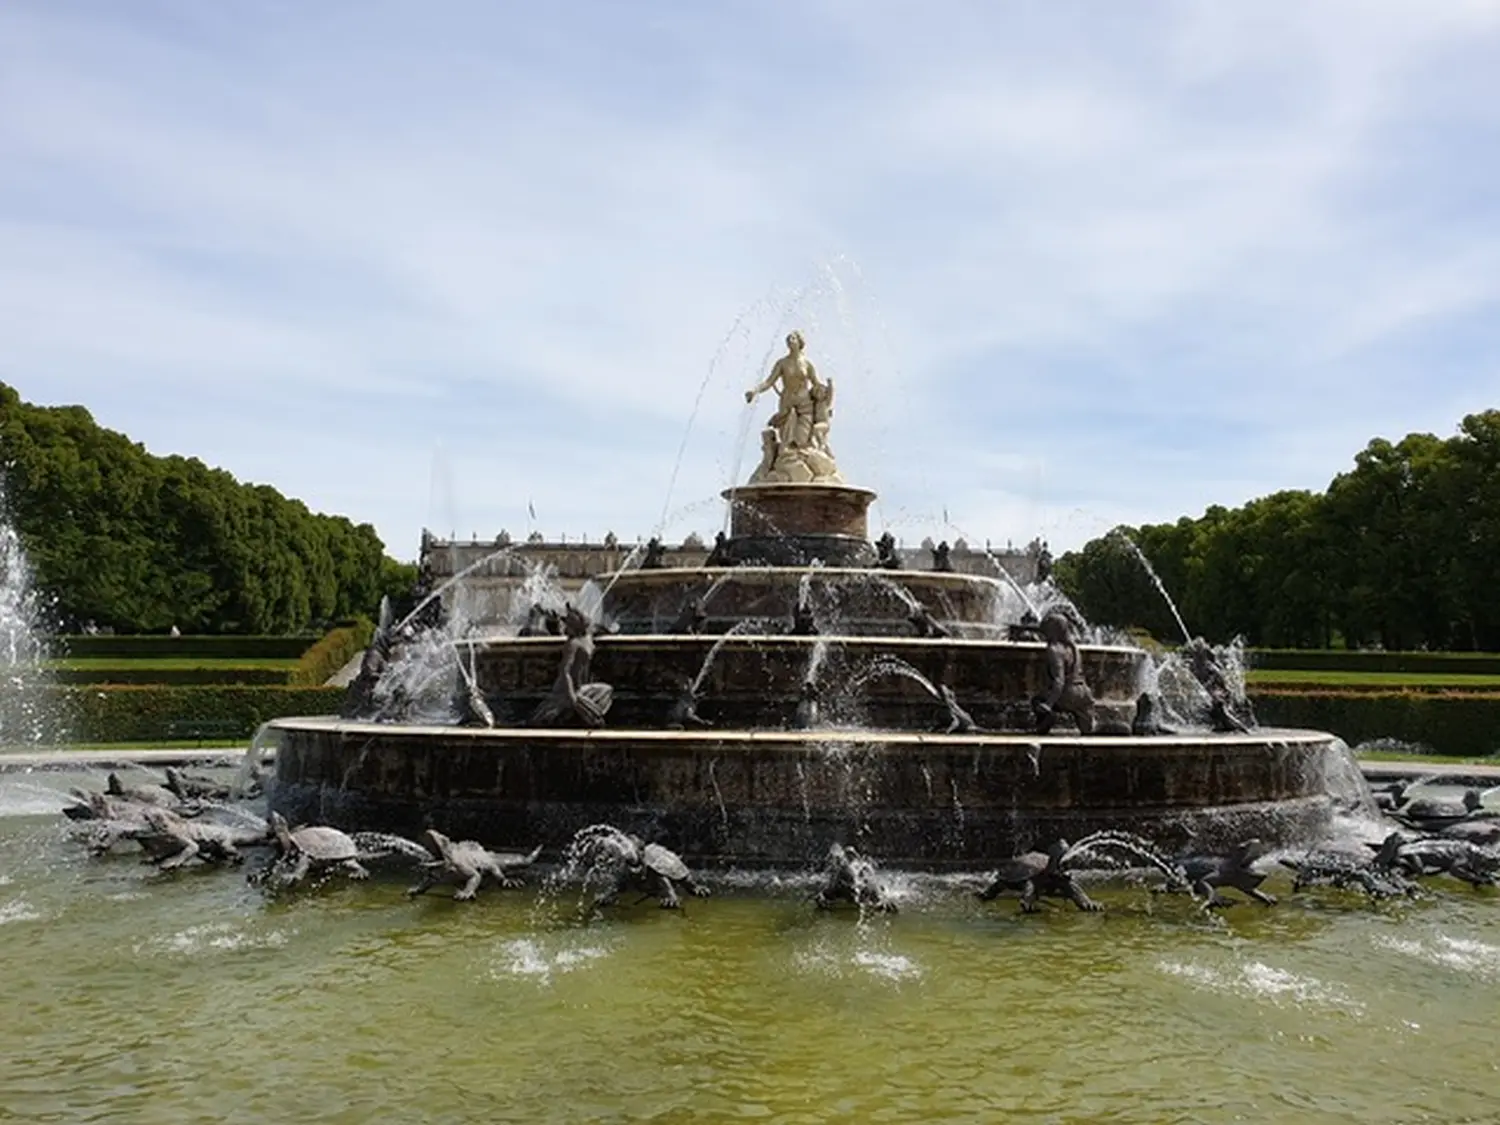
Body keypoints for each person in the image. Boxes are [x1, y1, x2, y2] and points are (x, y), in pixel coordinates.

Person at [745, 331, 828, 453]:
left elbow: (816, 384)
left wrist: (826, 394)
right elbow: (769, 382)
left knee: (802, 440)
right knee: (786, 442)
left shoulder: (807, 364)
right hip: (787, 403)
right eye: (788, 339)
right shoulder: (782, 363)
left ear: (800, 342)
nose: (790, 340)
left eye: (793, 338)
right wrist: (755, 391)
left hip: (804, 404)